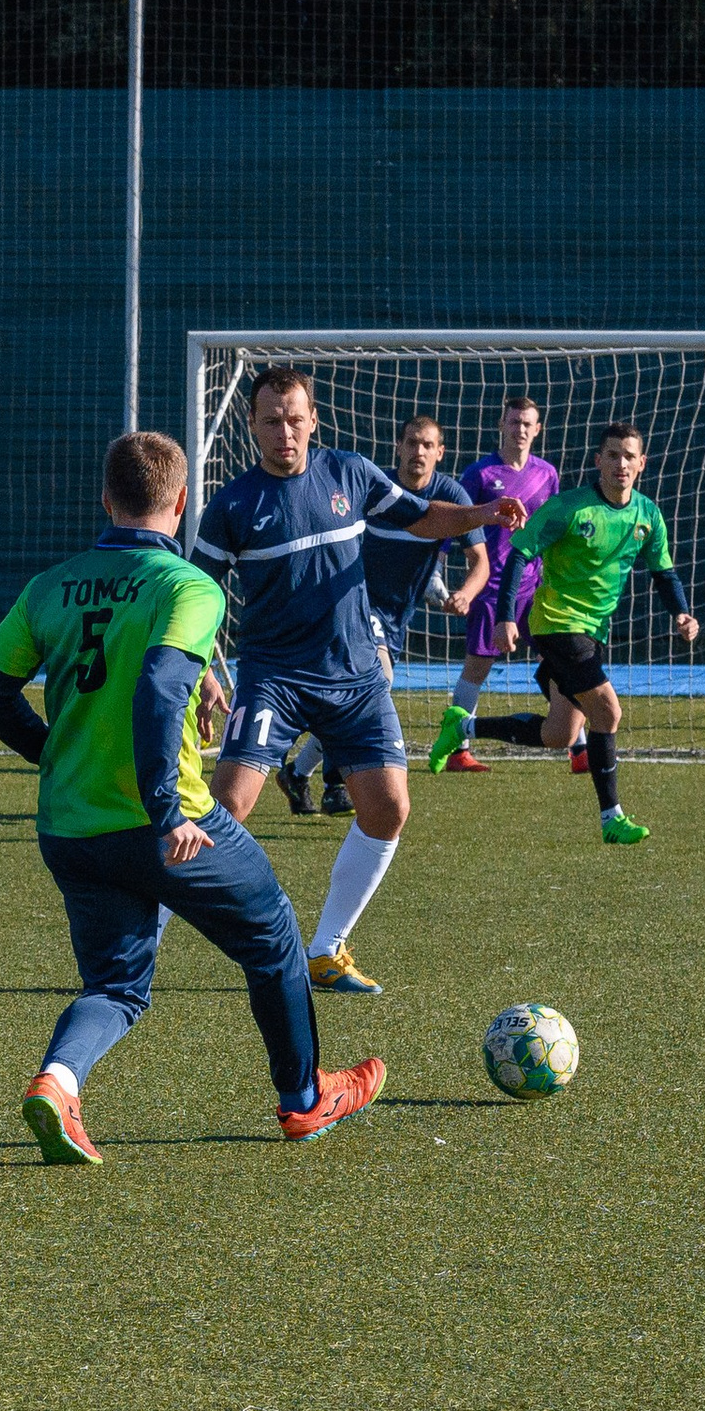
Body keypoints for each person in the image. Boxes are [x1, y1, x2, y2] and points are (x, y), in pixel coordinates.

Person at [0, 429, 385, 1164]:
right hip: (165, 822)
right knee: (274, 936)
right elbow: (160, 685)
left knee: (118, 985)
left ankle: (58, 1083)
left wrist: (52, 754)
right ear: (182, 503)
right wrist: (168, 809)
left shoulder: (50, 585)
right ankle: (305, 1097)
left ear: (106, 500)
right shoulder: (189, 586)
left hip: (71, 825)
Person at [192, 367, 512, 997]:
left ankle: (324, 949)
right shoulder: (231, 506)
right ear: (252, 426)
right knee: (226, 807)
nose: (285, 431)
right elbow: (196, 599)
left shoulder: (351, 473)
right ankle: (146, 938)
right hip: (274, 677)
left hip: (356, 676)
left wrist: (485, 512)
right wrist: (204, 676)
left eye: (295, 418)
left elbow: (423, 518)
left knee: (390, 807)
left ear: (314, 419)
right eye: (271, 420)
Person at [464, 420, 698, 843]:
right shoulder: (570, 508)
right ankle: (612, 819)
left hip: (593, 630)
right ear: (598, 461)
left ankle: (461, 728)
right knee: (608, 712)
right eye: (612, 455)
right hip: (556, 624)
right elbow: (519, 554)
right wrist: (506, 617)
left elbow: (664, 573)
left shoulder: (647, 514)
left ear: (641, 463)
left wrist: (681, 613)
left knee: (560, 734)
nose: (620, 464)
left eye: (629, 456)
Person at [285, 412, 487, 815]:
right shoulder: (375, 486)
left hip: (396, 617)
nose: (418, 451)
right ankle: (335, 782)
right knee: (378, 682)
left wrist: (464, 593)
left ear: (440, 453)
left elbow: (479, 560)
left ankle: (299, 773)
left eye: (427, 445)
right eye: (411, 442)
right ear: (398, 447)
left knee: (349, 696)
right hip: (352, 605)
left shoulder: (451, 494)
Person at [425, 394, 567, 773]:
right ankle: (459, 749)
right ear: (501, 426)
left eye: (527, 424)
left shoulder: (547, 474)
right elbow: (452, 522)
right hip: (491, 590)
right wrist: (436, 568)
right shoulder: (480, 475)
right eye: (513, 422)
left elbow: (551, 530)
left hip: (536, 588)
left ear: (537, 430)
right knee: (478, 667)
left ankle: (580, 745)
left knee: (558, 659)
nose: (519, 429)